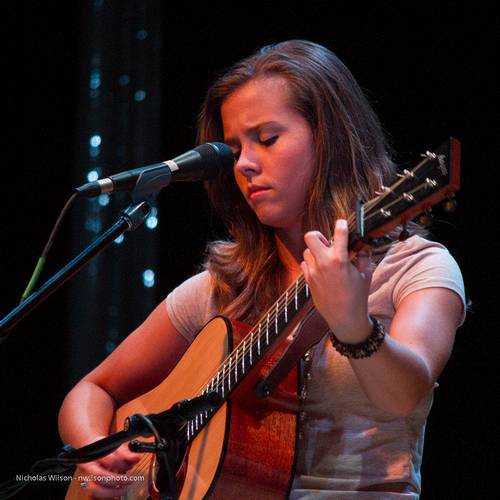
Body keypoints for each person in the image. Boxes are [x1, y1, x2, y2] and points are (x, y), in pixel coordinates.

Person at [58, 40, 465, 498]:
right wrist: (94, 450)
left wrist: (353, 323)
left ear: (329, 139)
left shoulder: (418, 269)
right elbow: (93, 389)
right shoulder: (224, 285)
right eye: (234, 150)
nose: (246, 164)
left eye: (267, 139)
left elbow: (401, 396)